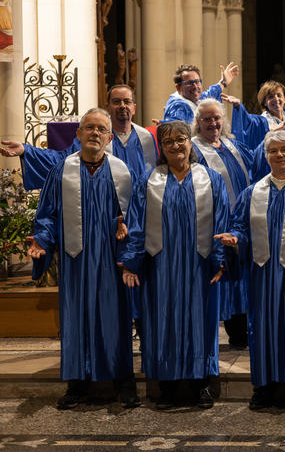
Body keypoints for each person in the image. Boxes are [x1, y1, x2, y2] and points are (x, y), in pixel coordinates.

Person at [28, 108, 138, 410]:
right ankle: (77, 384)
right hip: (75, 260)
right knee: (76, 319)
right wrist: (42, 240)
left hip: (111, 261)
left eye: (101, 129)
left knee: (114, 319)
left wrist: (126, 231)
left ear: (109, 137)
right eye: (89, 127)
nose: (95, 133)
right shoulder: (61, 171)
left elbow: (134, 217)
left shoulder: (122, 172)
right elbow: (48, 216)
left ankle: (124, 382)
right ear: (78, 134)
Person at [214, 130, 285, 411]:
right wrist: (235, 238)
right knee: (262, 329)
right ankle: (264, 386)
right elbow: (240, 225)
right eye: (273, 151)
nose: (280, 155)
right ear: (266, 156)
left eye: (284, 150)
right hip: (263, 274)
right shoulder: (252, 193)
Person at [119, 121, 229, 409]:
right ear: (161, 147)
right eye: (168, 141)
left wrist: (219, 259)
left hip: (199, 265)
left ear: (190, 142)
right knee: (162, 322)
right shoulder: (148, 181)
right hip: (161, 266)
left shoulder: (212, 179)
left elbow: (221, 222)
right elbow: (137, 225)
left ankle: (202, 384)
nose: (175, 145)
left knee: (200, 322)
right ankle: (166, 387)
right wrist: (131, 262)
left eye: (180, 139)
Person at [1, 84, 158, 190]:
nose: (122, 106)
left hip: (139, 211)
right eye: (116, 102)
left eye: (127, 101)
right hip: (104, 210)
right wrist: (26, 150)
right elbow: (61, 161)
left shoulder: (147, 139)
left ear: (134, 108)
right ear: (108, 107)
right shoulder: (94, 138)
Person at [191, 98, 254, 350]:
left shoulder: (233, 145)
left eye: (216, 118)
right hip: (213, 223)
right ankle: (216, 336)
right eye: (207, 119)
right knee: (222, 275)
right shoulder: (193, 150)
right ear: (198, 122)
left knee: (240, 277)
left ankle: (241, 333)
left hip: (242, 222)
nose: (213, 123)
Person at [163, 62, 239, 123]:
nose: (195, 86)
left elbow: (209, 94)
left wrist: (223, 82)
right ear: (178, 87)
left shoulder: (193, 99)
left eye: (197, 81)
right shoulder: (177, 106)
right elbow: (177, 130)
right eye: (190, 83)